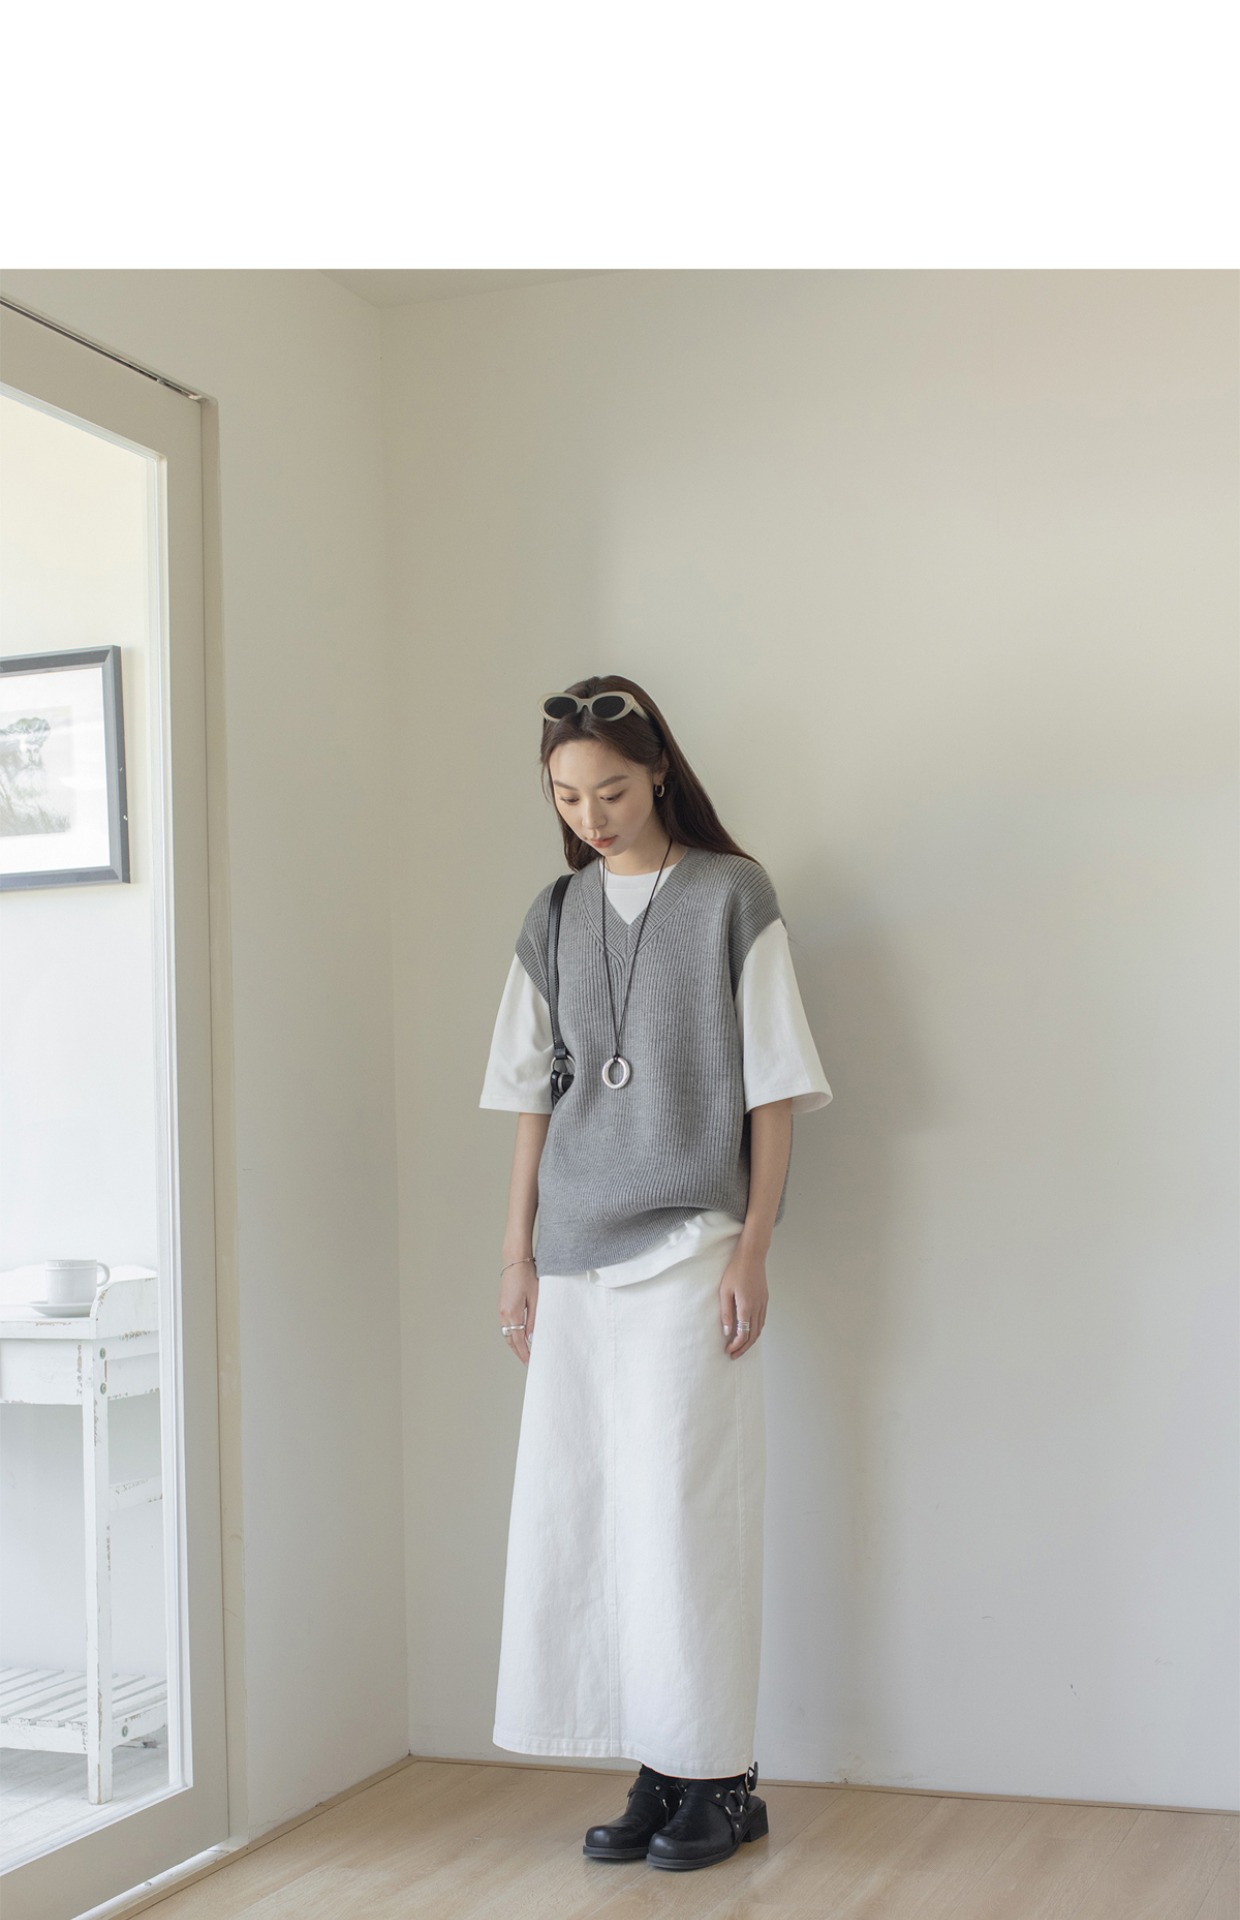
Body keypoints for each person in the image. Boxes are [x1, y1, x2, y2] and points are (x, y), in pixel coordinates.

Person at [478, 673, 832, 1871]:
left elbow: (774, 1088)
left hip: (690, 1246)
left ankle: (720, 1778)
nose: (591, 815)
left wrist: (754, 1246)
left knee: (687, 1511)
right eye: (566, 796)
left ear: (659, 773)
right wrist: (516, 1256)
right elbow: (529, 1100)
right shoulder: (554, 914)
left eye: (612, 791)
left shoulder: (732, 895)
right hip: (573, 1258)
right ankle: (656, 1763)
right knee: (588, 1511)